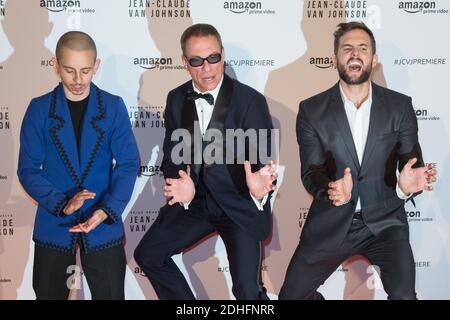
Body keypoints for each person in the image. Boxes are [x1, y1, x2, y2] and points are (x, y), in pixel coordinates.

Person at [279, 21, 437, 300]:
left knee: (404, 296)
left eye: (363, 48)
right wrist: (332, 190)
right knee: (291, 297)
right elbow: (312, 172)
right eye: (347, 48)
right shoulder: (311, 110)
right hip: (332, 221)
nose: (355, 54)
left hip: (386, 220)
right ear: (334, 59)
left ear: (374, 59)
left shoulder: (400, 106)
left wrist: (404, 187)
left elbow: (412, 164)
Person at [134, 23, 277, 300]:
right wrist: (179, 182)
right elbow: (171, 155)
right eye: (196, 61)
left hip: (238, 203)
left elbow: (259, 165)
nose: (207, 68)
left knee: (248, 292)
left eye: (213, 58)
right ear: (184, 62)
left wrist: (259, 191)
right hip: (195, 203)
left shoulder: (250, 101)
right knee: (148, 255)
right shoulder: (176, 98)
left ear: (222, 55)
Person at [17, 31, 139, 300]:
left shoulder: (113, 106)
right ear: (56, 65)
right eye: (70, 70)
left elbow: (129, 164)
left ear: (96, 66)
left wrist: (106, 211)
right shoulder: (39, 109)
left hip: (102, 223)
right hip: (54, 225)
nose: (78, 80)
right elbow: (27, 170)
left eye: (85, 70)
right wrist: (62, 203)